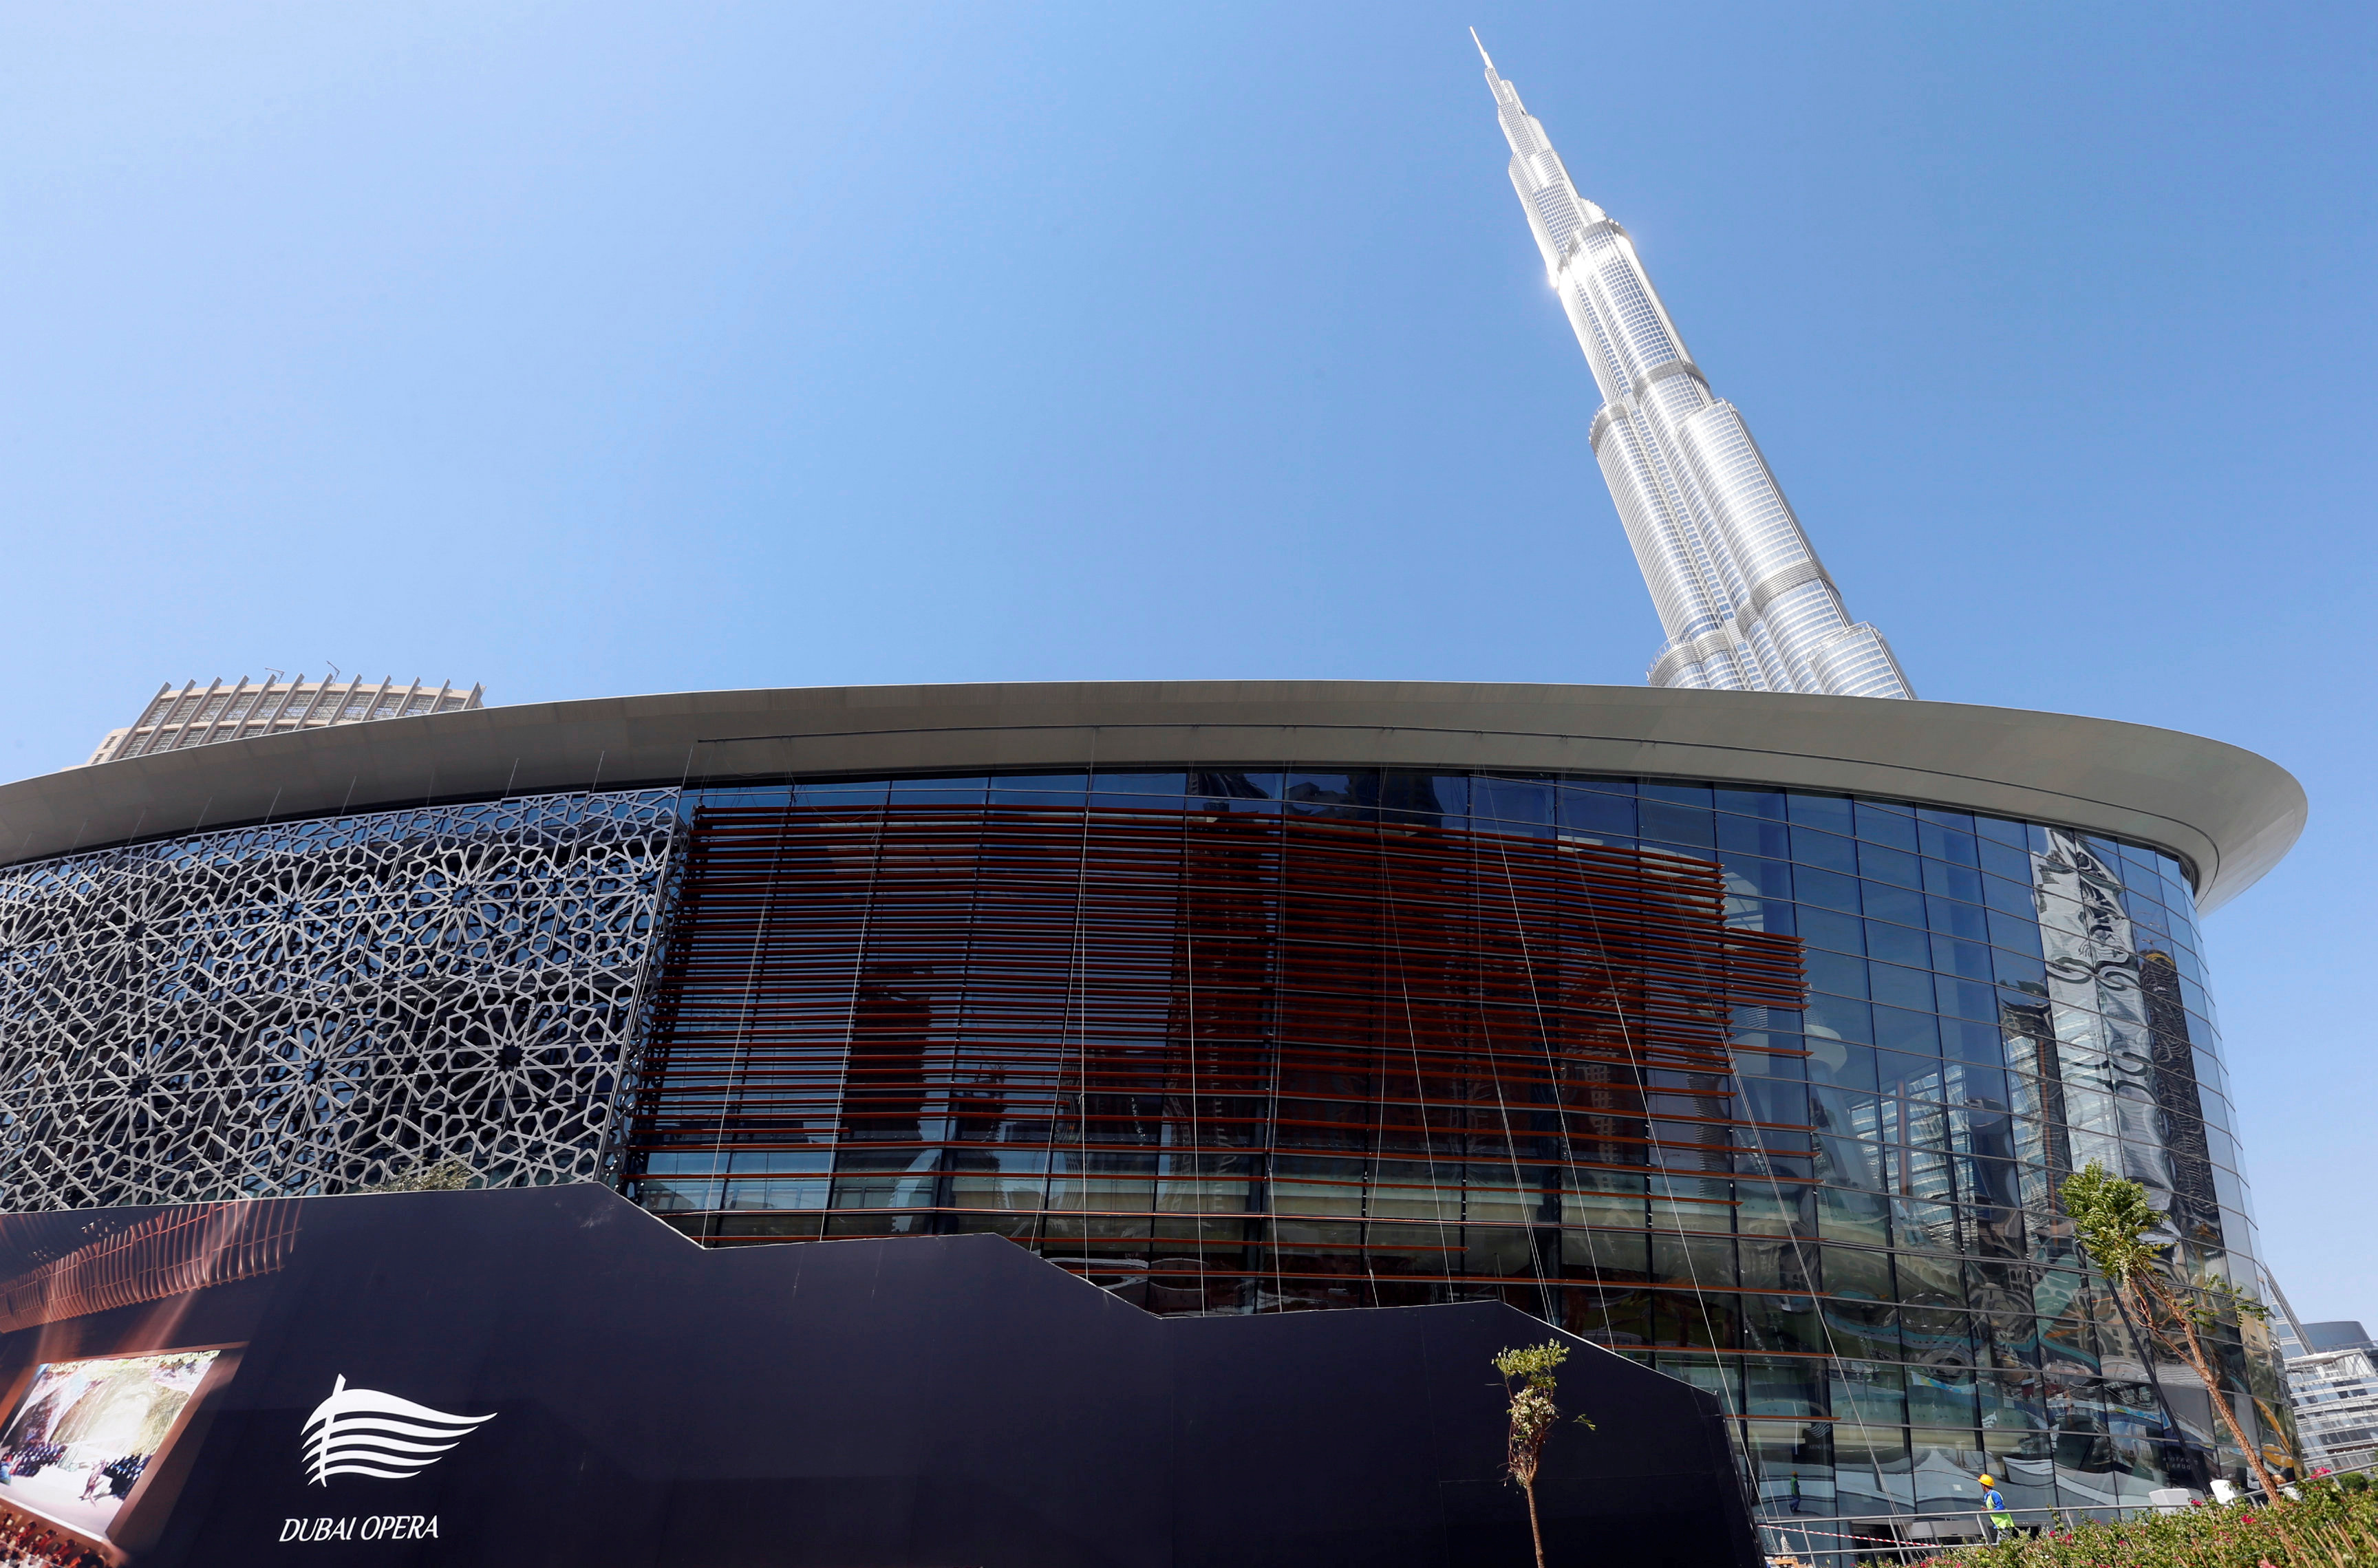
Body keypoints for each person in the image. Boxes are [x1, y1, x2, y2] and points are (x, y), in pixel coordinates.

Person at [1979, 1473, 2014, 1540]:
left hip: (2004, 1524)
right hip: (1999, 1525)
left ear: (1983, 1485)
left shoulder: (1994, 1494)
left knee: (2000, 1547)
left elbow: (2001, 1508)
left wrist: (1987, 1511)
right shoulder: (1987, 1496)